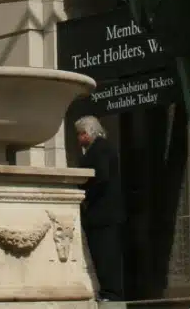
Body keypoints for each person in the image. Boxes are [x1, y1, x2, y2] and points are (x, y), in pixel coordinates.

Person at [73, 115, 125, 301]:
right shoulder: (102, 148)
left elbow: (100, 177)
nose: (78, 139)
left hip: (103, 213)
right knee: (104, 255)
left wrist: (85, 196)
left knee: (105, 255)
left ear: (88, 133)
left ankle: (111, 293)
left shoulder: (100, 149)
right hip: (105, 213)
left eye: (80, 134)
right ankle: (110, 292)